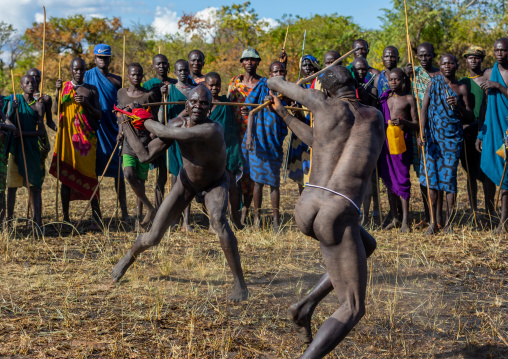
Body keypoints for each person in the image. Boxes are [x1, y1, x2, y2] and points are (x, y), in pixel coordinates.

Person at [265, 66, 383, 358]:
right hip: (337, 212)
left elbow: (274, 82)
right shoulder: (376, 117)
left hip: (308, 206)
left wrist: (284, 110)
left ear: (327, 90)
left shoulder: (323, 106)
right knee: (353, 307)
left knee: (367, 245)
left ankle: (304, 306)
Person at [111, 86, 249, 302]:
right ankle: (128, 257)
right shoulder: (177, 123)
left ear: (211, 108)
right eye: (194, 102)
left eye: (204, 103)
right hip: (187, 182)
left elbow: (175, 134)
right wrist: (126, 121)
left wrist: (143, 118)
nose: (198, 106)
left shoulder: (213, 129)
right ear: (187, 105)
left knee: (219, 220)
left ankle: (240, 285)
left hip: (215, 182)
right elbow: (144, 155)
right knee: (153, 237)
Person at [419, 54, 473, 234]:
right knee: (432, 181)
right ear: (439, 66)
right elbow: (424, 109)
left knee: (449, 180)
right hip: (433, 138)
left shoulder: (462, 88)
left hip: (452, 139)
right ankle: (434, 221)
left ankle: (449, 222)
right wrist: (421, 132)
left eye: (451, 62)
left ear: (457, 65)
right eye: (444, 63)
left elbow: (470, 116)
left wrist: (457, 106)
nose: (447, 65)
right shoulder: (433, 83)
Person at [49, 58, 102, 226]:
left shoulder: (91, 89)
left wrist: (86, 104)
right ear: (70, 70)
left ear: (85, 70)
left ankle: (97, 216)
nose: (79, 72)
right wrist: (57, 93)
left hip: (86, 141)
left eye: (82, 69)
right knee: (66, 177)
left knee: (91, 176)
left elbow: (98, 114)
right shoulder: (64, 87)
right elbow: (55, 110)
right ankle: (66, 217)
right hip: (68, 140)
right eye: (76, 69)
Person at [84, 44, 128, 221]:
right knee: (93, 173)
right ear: (94, 59)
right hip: (93, 129)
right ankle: (96, 214)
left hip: (112, 129)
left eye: (105, 57)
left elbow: (119, 106)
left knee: (119, 173)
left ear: (110, 59)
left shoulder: (117, 80)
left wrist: (121, 128)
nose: (102, 60)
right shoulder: (87, 76)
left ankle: (124, 212)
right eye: (99, 57)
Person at [244, 61, 288, 231]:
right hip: (259, 141)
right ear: (270, 74)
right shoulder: (262, 86)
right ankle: (257, 218)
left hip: (275, 142)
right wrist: (249, 136)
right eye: (275, 71)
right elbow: (250, 110)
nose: (278, 74)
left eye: (281, 71)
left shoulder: (288, 90)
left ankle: (276, 221)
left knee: (274, 183)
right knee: (258, 182)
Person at [117, 63, 158, 230]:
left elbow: (153, 119)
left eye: (139, 74)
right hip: (127, 142)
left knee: (140, 181)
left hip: (143, 144)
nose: (136, 77)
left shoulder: (148, 96)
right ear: (127, 76)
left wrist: (153, 136)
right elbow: (120, 115)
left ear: (142, 76)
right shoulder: (121, 93)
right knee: (128, 174)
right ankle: (150, 207)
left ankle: (139, 220)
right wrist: (120, 131)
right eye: (133, 74)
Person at [378, 68, 418, 232]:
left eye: (396, 80)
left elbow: (416, 124)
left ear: (403, 79)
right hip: (386, 144)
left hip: (401, 143)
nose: (393, 82)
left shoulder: (409, 98)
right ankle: (394, 217)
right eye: (390, 80)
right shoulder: (384, 98)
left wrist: (403, 122)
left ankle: (405, 221)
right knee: (389, 180)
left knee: (402, 180)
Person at [406, 42, 441, 229]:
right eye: (420, 55)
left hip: (439, 129)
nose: (424, 58)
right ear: (416, 56)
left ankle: (439, 215)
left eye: (427, 55)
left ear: (433, 55)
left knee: (438, 171)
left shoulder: (441, 74)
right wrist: (406, 74)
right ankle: (428, 215)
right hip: (419, 129)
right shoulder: (414, 74)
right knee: (423, 173)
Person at [459, 46, 496, 218]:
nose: (473, 60)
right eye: (470, 57)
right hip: (467, 133)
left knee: (488, 171)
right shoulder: (462, 83)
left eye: (477, 57)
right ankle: (474, 211)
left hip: (487, 131)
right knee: (470, 173)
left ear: (482, 60)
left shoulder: (489, 78)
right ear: (465, 61)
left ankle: (490, 210)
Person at [4, 75, 45, 229]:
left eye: (33, 82)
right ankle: (8, 222)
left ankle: (37, 222)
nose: (30, 85)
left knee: (35, 186)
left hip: (31, 150)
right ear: (21, 86)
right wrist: (13, 111)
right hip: (16, 150)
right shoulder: (14, 101)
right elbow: (7, 120)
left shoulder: (38, 106)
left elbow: (40, 132)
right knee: (12, 187)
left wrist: (23, 134)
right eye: (26, 83)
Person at [227, 47, 262, 225]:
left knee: (252, 174)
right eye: (246, 59)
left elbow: (270, 108)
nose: (249, 62)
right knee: (237, 172)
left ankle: (247, 210)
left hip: (257, 136)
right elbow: (226, 105)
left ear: (258, 62)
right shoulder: (234, 83)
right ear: (241, 62)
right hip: (236, 135)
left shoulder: (263, 84)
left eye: (253, 59)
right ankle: (236, 210)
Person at [204, 72, 243, 229]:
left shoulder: (226, 102)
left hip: (228, 149)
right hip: (208, 152)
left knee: (233, 186)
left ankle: (235, 218)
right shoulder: (202, 104)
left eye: (217, 85)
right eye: (211, 85)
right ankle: (213, 221)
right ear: (205, 86)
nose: (214, 88)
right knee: (210, 188)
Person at [477, 38, 508, 233]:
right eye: (496, 50)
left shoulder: (495, 78)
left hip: (507, 129)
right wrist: (481, 133)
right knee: (492, 169)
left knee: (507, 177)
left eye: (503, 51)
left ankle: (503, 221)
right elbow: (485, 106)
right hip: (494, 127)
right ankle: (492, 216)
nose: (499, 54)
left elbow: (497, 90)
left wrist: (499, 86)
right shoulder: (489, 72)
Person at [160, 59, 195, 231]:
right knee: (175, 178)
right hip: (174, 139)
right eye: (180, 70)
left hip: (190, 138)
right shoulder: (170, 90)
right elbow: (162, 118)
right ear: (174, 72)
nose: (183, 73)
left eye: (186, 70)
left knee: (188, 178)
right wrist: (162, 96)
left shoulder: (195, 90)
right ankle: (174, 218)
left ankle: (186, 221)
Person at [143, 54, 176, 209]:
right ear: (152, 67)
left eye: (164, 64)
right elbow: (145, 107)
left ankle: (174, 209)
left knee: (174, 173)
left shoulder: (175, 83)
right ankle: (158, 208)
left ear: (168, 66)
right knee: (161, 173)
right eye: (158, 64)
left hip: (175, 130)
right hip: (156, 132)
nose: (161, 66)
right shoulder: (148, 85)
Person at [352, 57, 380, 225]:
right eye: (357, 69)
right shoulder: (349, 89)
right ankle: (356, 213)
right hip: (353, 137)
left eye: (364, 69)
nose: (361, 72)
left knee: (369, 178)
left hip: (369, 136)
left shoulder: (372, 90)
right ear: (353, 70)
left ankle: (366, 216)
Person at [286, 55, 319, 191]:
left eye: (310, 64)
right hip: (301, 131)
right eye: (304, 65)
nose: (307, 68)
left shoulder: (320, 82)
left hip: (319, 130)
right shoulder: (298, 85)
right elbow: (297, 114)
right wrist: (296, 109)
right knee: (302, 169)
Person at [26, 68, 54, 188]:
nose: (35, 79)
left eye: (37, 76)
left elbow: (49, 122)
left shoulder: (46, 99)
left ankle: (37, 192)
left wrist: (61, 130)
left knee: (39, 167)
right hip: (26, 134)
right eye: (32, 77)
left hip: (40, 136)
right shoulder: (22, 98)